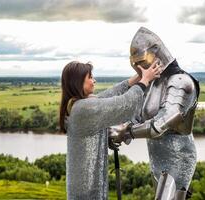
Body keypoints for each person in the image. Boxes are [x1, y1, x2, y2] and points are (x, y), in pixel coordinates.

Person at [109, 27, 200, 199]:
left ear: (157, 54)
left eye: (141, 60)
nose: (139, 66)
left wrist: (125, 133)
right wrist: (116, 131)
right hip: (157, 156)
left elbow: (160, 124)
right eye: (135, 63)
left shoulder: (181, 82)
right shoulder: (152, 83)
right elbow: (137, 116)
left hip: (179, 157)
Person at [59, 60, 161, 199]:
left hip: (82, 187)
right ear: (77, 82)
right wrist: (144, 81)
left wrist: (138, 76)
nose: (94, 80)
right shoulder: (83, 108)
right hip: (87, 191)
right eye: (90, 77)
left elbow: (111, 94)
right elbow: (123, 104)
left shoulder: (77, 105)